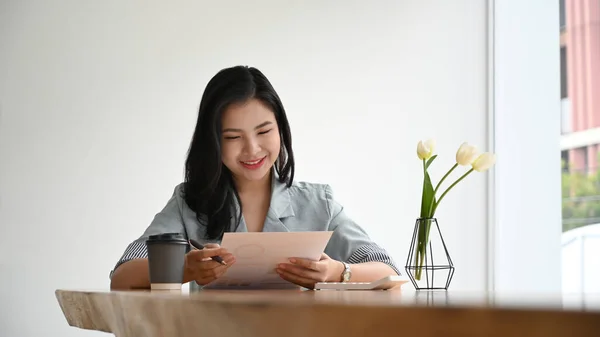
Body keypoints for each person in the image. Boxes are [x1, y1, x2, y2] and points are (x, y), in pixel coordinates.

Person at [109, 65, 400, 291]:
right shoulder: (189, 202)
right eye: (233, 137)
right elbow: (122, 274)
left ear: (281, 129)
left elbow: (388, 272)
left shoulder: (318, 203)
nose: (252, 149)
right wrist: (184, 270)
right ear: (212, 142)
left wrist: (338, 273)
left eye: (263, 132)